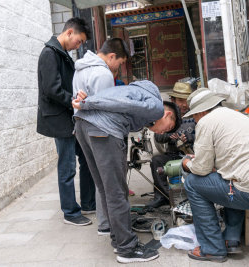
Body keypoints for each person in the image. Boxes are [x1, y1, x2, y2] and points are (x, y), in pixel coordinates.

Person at [72, 79, 181, 263]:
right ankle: (127, 249)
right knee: (117, 192)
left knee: (106, 189)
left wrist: (87, 103)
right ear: (167, 114)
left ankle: (118, 239)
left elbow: (115, 97)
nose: (162, 132)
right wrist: (87, 102)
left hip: (83, 124)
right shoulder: (155, 106)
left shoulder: (138, 92)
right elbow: (121, 103)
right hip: (102, 129)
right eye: (168, 127)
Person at [181, 88, 249, 262]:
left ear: (201, 111)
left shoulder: (205, 122)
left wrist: (186, 163)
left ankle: (212, 248)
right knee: (229, 177)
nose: (194, 119)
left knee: (193, 183)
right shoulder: (235, 115)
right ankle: (231, 239)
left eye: (194, 115)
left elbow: (201, 169)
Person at [36, 17, 95, 226]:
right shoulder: (49, 53)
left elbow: (64, 83)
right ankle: (70, 212)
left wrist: (76, 94)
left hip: (69, 117)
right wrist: (72, 101)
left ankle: (89, 202)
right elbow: (51, 89)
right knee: (67, 166)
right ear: (69, 32)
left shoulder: (62, 53)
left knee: (87, 160)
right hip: (59, 120)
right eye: (78, 41)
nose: (78, 46)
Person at [71, 38, 130, 236]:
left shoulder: (80, 68)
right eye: (120, 63)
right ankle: (122, 236)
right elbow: (107, 109)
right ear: (112, 56)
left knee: (101, 181)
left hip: (81, 126)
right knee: (113, 184)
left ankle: (106, 224)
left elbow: (79, 101)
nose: (119, 68)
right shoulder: (103, 73)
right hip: (100, 131)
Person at [146, 81, 196, 208]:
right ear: (173, 100)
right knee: (156, 161)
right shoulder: (165, 113)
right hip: (173, 154)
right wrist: (169, 135)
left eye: (186, 100)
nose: (184, 104)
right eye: (180, 100)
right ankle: (162, 196)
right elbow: (158, 136)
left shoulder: (196, 114)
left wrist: (191, 138)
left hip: (193, 155)